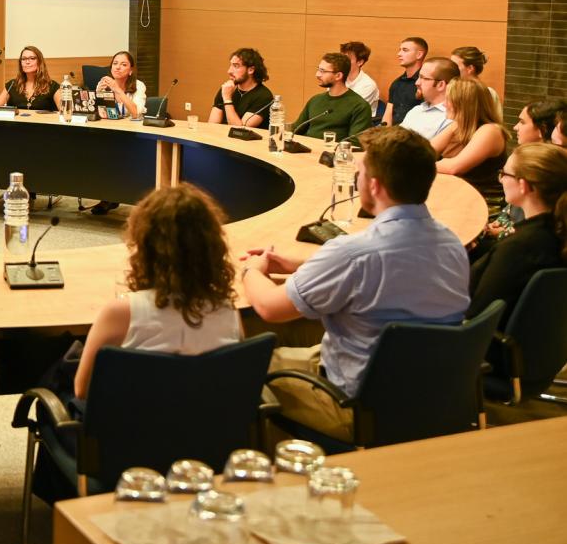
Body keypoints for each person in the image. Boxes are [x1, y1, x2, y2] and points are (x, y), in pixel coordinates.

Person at [242, 126, 470, 442]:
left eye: (359, 172)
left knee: (244, 363)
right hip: (430, 394)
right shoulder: (452, 244)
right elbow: (387, 268)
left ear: (374, 186)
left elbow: (269, 308)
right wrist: (307, 265)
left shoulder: (353, 254)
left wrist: (251, 271)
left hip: (354, 405)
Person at [71, 184, 242, 401]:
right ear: (212, 246)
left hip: (133, 421)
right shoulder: (228, 310)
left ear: (144, 245)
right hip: (207, 421)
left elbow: (83, 390)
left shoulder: (121, 313)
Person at [467, 142, 567, 320]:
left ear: (523, 185)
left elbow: (476, 315)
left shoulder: (519, 247)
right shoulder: (555, 232)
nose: (500, 180)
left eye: (504, 174)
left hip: (482, 335)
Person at [431, 78, 509, 218]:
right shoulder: (457, 125)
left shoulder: (491, 131)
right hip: (456, 198)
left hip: (484, 205)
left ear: (463, 103)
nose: (444, 104)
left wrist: (419, 164)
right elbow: (425, 152)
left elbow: (453, 167)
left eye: (448, 99)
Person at [289, 52, 373, 144]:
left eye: (323, 71)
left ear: (338, 76)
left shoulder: (360, 106)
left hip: (334, 152)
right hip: (306, 149)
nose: (317, 74)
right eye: (318, 69)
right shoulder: (315, 100)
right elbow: (296, 130)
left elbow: (355, 143)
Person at [208, 48, 273, 128]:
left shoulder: (264, 96)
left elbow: (240, 130)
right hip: (222, 135)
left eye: (236, 66)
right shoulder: (226, 89)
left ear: (251, 70)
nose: (229, 71)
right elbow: (212, 126)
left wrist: (227, 99)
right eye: (231, 65)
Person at [399, 56, 459, 141]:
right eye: (419, 77)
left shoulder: (450, 117)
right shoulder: (416, 110)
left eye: (423, 78)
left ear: (440, 85)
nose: (417, 83)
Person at [0, 46, 56, 111]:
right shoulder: (12, 84)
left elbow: (62, 110)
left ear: (40, 62)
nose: (27, 62)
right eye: (23, 59)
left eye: (32, 58)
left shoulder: (52, 85)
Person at [384, 36, 428, 127]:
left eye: (405, 50)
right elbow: (388, 115)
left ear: (419, 55)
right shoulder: (397, 83)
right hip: (393, 131)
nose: (399, 54)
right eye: (400, 50)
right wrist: (384, 132)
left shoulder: (425, 84)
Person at [96, 50, 146, 120]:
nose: (118, 67)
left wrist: (117, 90)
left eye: (123, 65)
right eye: (115, 63)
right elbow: (100, 113)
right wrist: (98, 95)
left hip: (132, 125)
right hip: (110, 124)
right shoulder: (105, 83)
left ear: (131, 70)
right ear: (111, 68)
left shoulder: (138, 85)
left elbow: (136, 113)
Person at [450, 45, 500, 110]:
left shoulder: (488, 93)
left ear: (470, 68)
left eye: (455, 65)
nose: (451, 68)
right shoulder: (450, 89)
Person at [340, 41, 379, 117]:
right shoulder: (337, 78)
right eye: (341, 58)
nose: (342, 62)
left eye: (347, 59)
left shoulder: (368, 85)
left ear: (360, 62)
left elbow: (350, 110)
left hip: (360, 121)